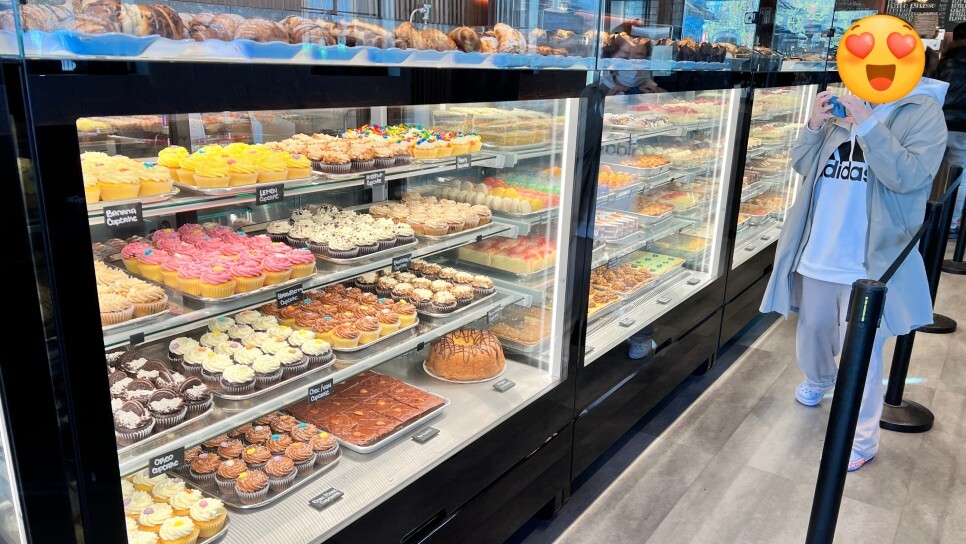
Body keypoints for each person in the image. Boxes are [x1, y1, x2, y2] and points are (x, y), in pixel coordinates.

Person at [760, 77, 949, 472]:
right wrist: (814, 125)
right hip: (819, 245)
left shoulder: (922, 110)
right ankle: (819, 378)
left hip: (869, 260)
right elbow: (802, 165)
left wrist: (868, 124)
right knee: (813, 329)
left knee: (862, 350)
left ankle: (861, 437)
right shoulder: (845, 99)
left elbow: (911, 178)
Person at [938, 22, 966, 238]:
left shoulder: (945, 61)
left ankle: (926, 217)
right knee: (959, 175)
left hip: (938, 123)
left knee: (931, 171)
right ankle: (950, 225)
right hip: (963, 128)